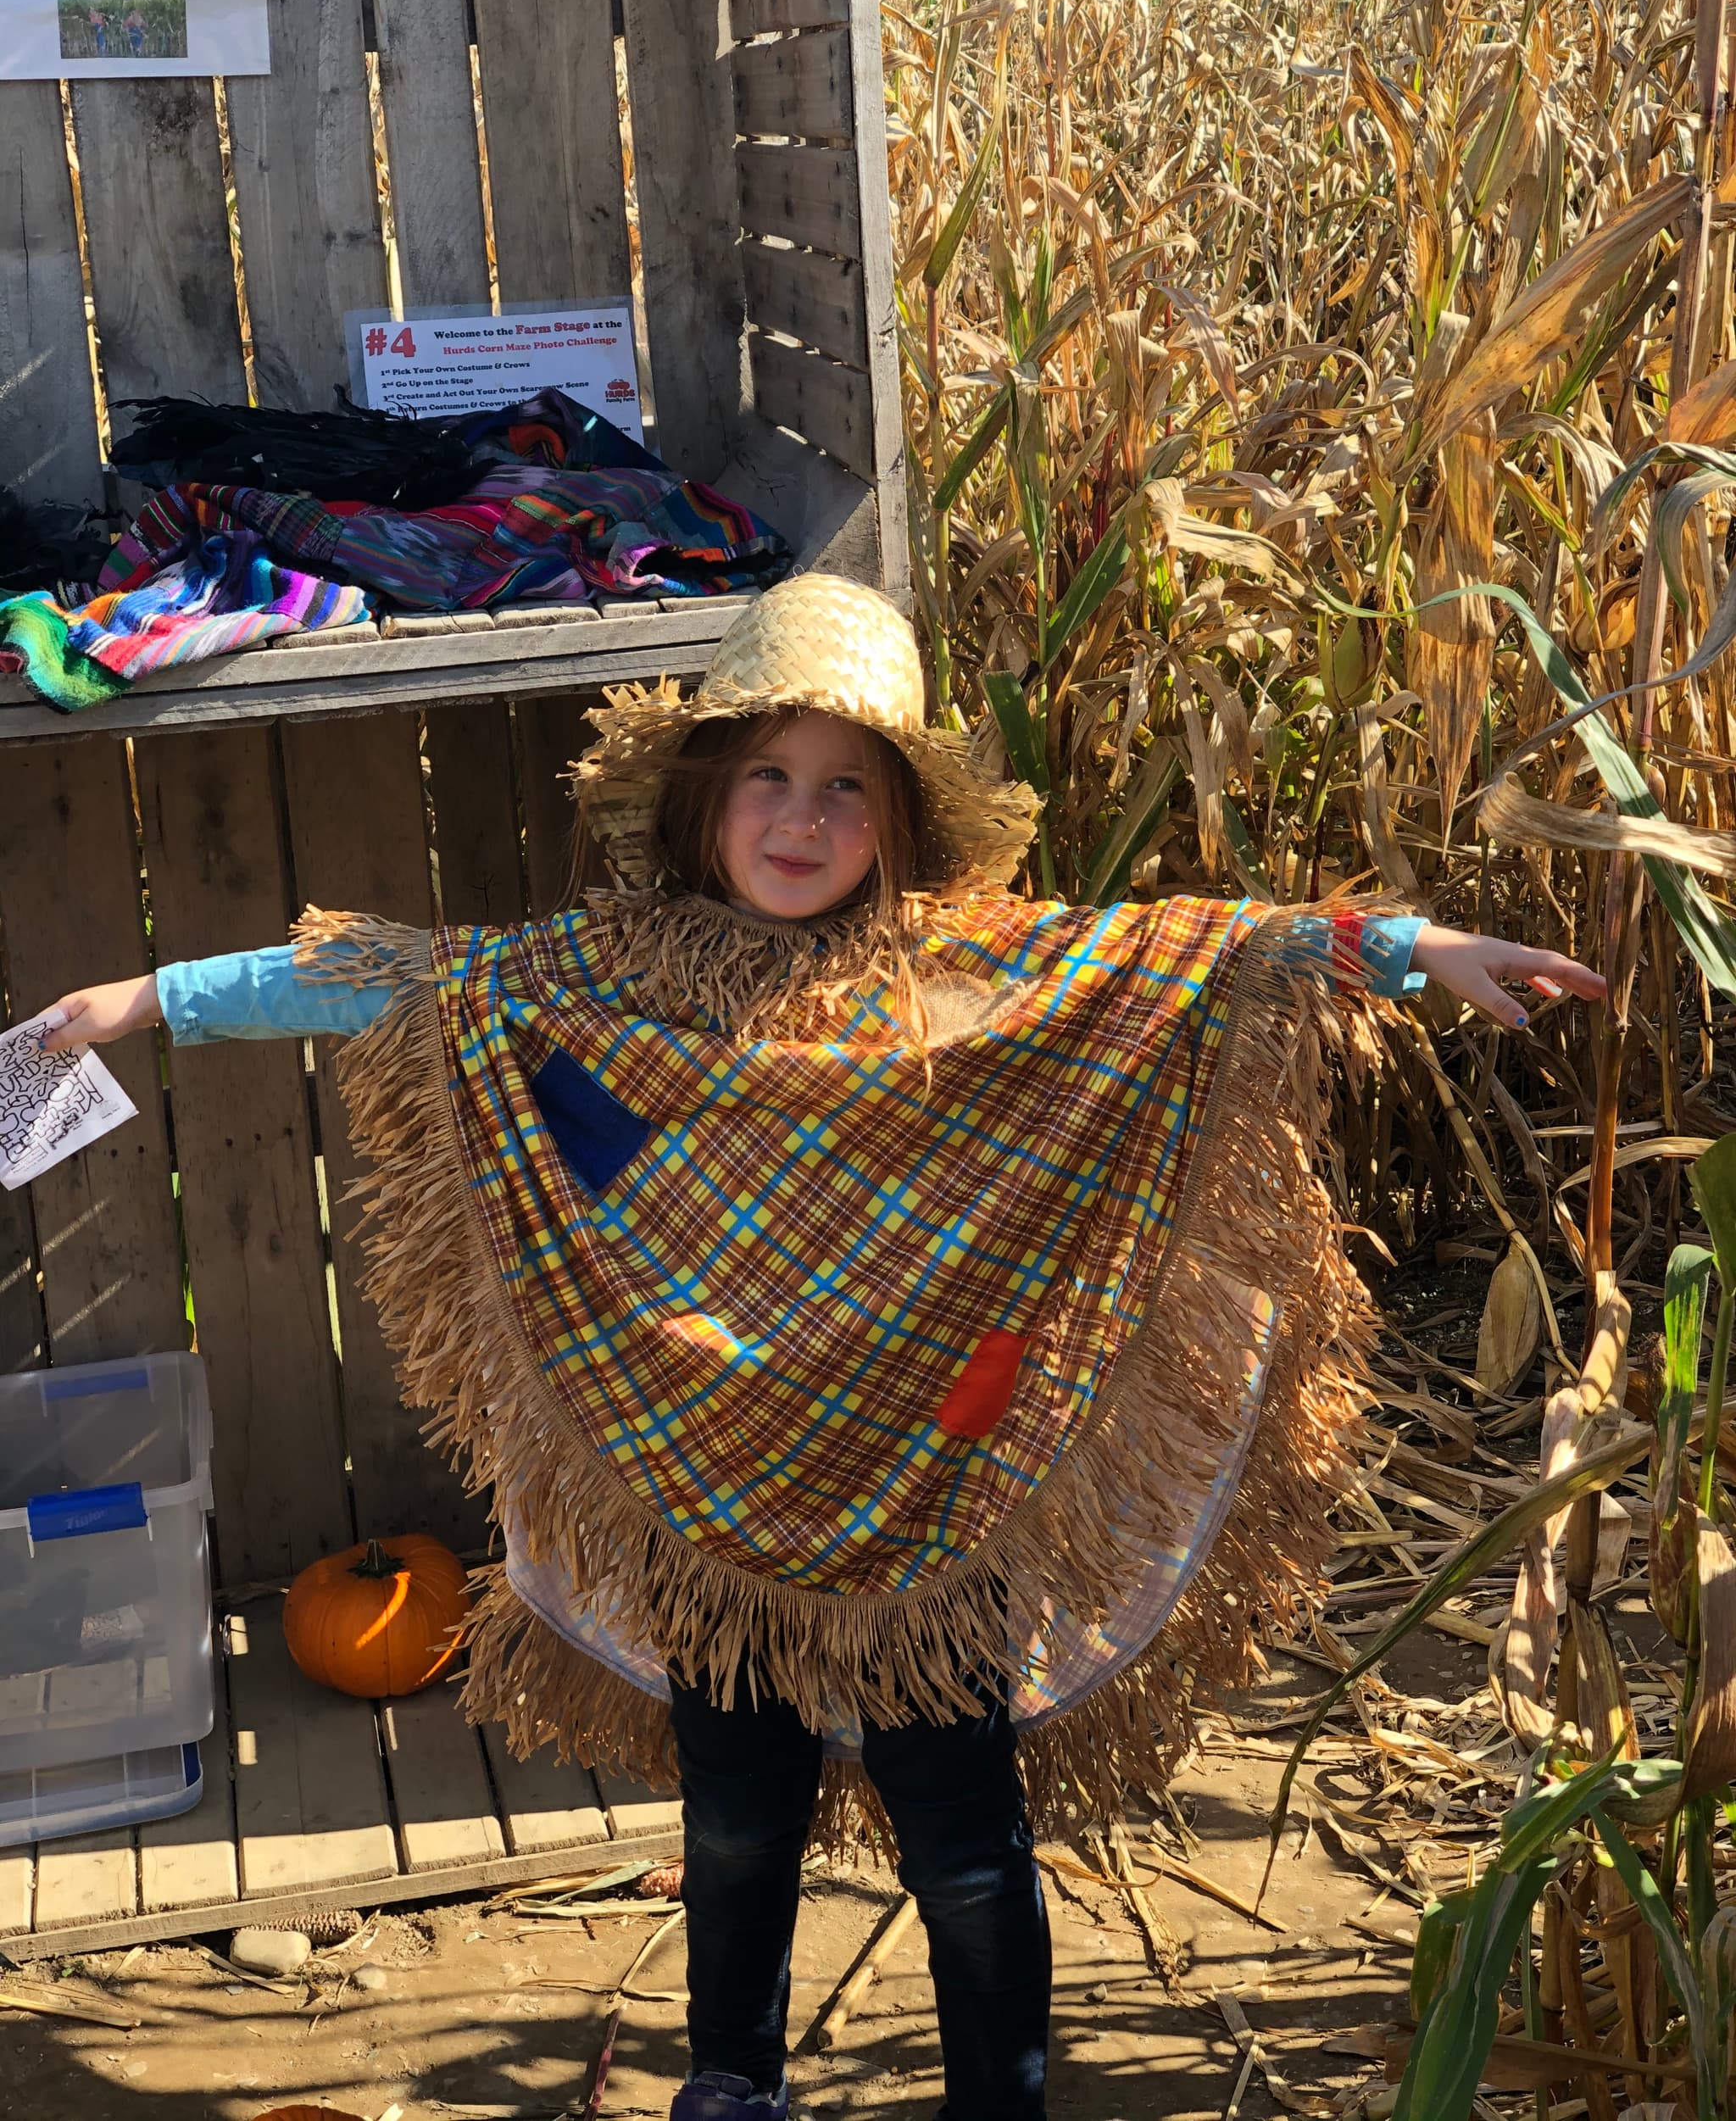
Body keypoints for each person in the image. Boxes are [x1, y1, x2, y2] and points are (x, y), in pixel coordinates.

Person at [43, 574, 1602, 2121]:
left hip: (936, 1494)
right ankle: (733, 2078)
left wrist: (1408, 949)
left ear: (901, 823)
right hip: (703, 1496)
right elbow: (385, 971)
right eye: (770, 780)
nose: (802, 820)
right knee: (734, 1824)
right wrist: (146, 999)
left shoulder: (976, 970)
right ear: (708, 797)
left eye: (847, 790)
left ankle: (1003, 2094)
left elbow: (1196, 955)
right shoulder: (602, 977)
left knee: (966, 1840)